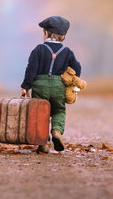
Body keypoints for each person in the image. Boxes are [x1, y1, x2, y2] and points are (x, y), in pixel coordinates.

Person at [21, 16, 82, 153]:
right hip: (58, 86)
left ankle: (43, 142)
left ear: (46, 33)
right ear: (63, 36)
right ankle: (56, 131)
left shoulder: (38, 50)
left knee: (40, 113)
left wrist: (26, 86)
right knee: (58, 110)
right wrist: (72, 84)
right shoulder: (67, 52)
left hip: (40, 85)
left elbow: (31, 69)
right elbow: (77, 69)